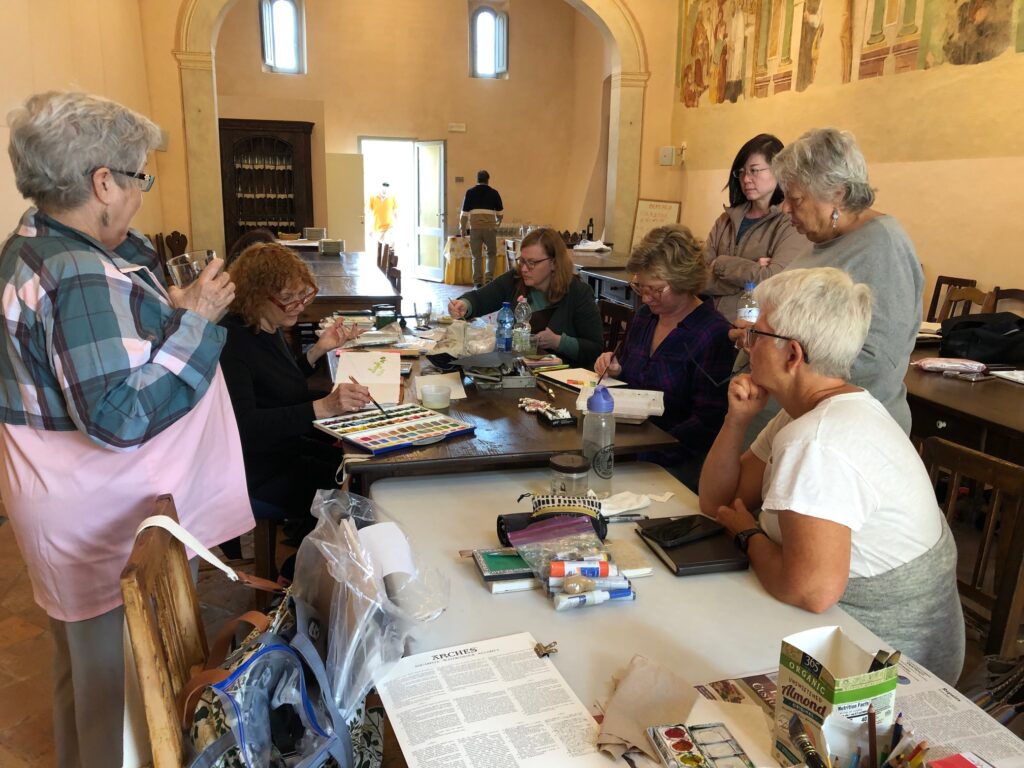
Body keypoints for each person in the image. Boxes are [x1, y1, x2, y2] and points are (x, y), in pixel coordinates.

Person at [0, 91, 253, 767]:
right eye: (138, 179)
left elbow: (105, 342)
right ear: (101, 182)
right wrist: (196, 320)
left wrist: (164, 307)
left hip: (70, 503)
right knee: (119, 687)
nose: (141, 195)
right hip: (95, 511)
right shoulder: (76, 271)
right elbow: (117, 415)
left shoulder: (41, 239)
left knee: (83, 670)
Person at [699, 267, 964, 684]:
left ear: (793, 355)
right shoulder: (816, 411)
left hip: (889, 665)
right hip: (862, 634)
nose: (746, 343)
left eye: (758, 334)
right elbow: (718, 500)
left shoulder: (817, 440)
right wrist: (736, 421)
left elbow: (811, 590)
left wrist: (746, 534)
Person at [735, 127, 924, 439]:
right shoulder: (822, 238)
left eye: (795, 198)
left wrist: (779, 356)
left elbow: (877, 358)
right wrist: (755, 330)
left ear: (838, 193)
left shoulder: (883, 245)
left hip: (844, 431)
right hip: (792, 422)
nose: (786, 209)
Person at [220, 243, 371, 520]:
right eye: (288, 298)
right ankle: (310, 557)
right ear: (255, 296)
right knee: (358, 492)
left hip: (284, 448)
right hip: (256, 471)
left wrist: (317, 351)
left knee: (359, 467)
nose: (299, 306)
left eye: (303, 295)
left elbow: (279, 387)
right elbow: (245, 427)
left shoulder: (268, 324)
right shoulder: (232, 343)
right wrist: (323, 407)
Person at [595, 226, 735, 491]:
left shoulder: (712, 333)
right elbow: (635, 384)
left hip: (674, 463)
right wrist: (617, 369)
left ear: (684, 282)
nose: (646, 298)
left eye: (656, 290)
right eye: (640, 287)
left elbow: (708, 422)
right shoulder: (646, 317)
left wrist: (645, 454)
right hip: (627, 450)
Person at [447, 227, 603, 368]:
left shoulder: (578, 293)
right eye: (522, 261)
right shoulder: (515, 280)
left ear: (554, 263)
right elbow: (481, 298)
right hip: (522, 370)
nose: (524, 269)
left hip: (564, 378)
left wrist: (559, 342)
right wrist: (465, 304)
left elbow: (595, 349)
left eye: (532, 263)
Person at [702, 133, 809, 321]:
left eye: (754, 170)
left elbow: (774, 281)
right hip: (711, 327)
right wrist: (750, 273)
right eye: (741, 172)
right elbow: (697, 278)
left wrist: (721, 263)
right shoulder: (725, 220)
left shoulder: (790, 221)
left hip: (756, 332)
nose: (746, 179)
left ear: (777, 171)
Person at [459, 169, 504, 288]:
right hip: (489, 229)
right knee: (491, 254)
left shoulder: (469, 192)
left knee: (476, 256)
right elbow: (500, 214)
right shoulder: (494, 193)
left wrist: (462, 228)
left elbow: (464, 214)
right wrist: (496, 225)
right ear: (488, 180)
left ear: (477, 179)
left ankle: (477, 283)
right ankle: (489, 280)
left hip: (475, 229)